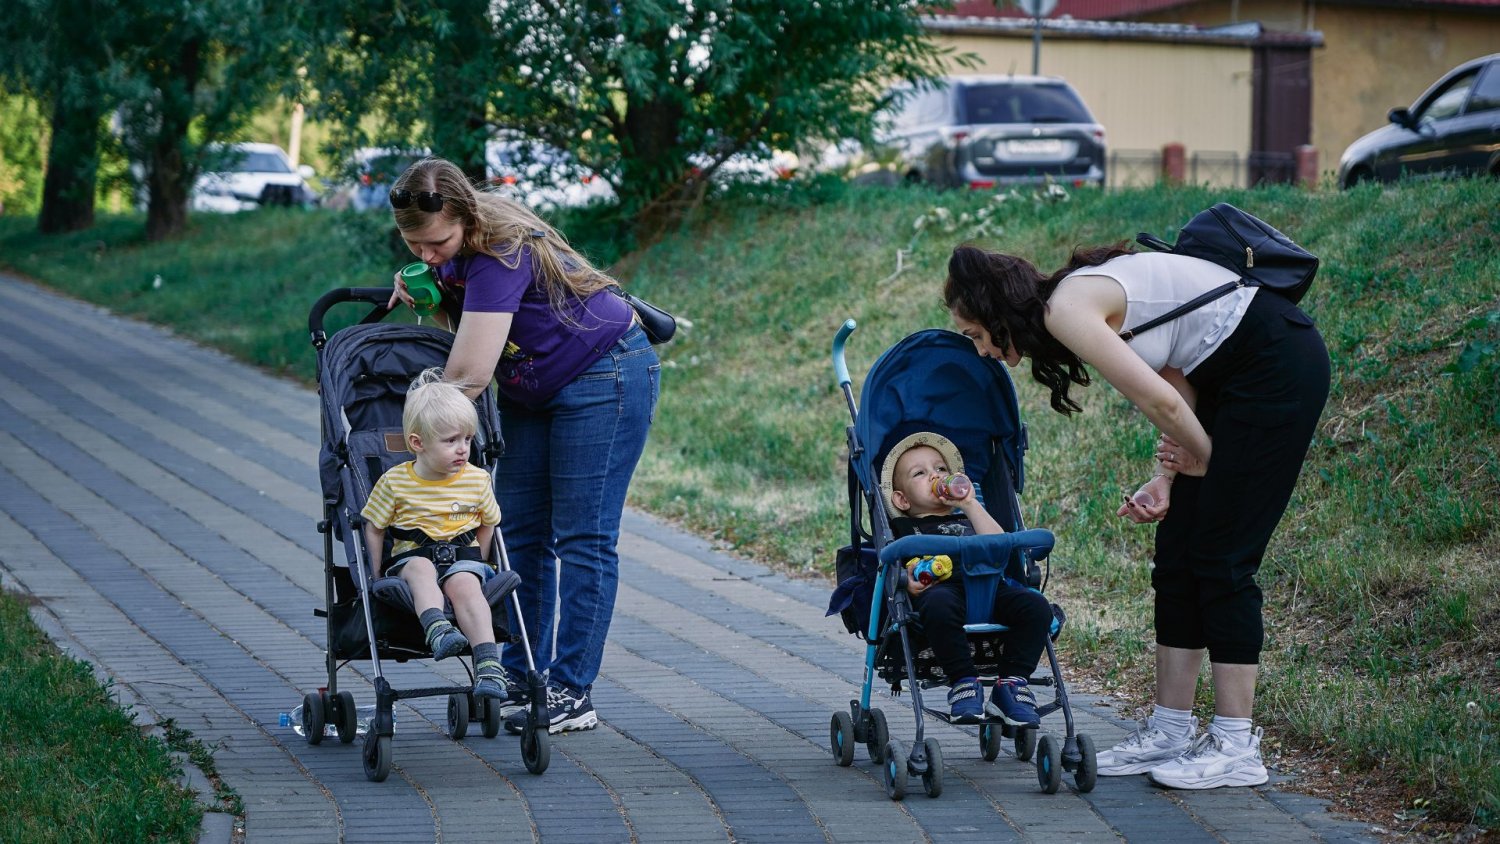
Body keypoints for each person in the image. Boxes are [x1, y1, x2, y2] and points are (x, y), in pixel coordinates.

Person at [943, 241, 1329, 790]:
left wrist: (1206, 459)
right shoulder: (1071, 301)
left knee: (1221, 558)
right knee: (1177, 561)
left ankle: (1237, 744)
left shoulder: (1066, 310)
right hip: (1229, 377)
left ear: (997, 314)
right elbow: (1176, 376)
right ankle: (1171, 730)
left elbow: (1164, 405)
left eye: (977, 335)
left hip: (1275, 366)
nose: (980, 351)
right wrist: (1169, 475)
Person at [386, 157, 659, 734]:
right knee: (521, 532)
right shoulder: (455, 253)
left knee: (583, 535)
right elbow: (459, 331)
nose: (427, 254)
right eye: (414, 246)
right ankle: (522, 671)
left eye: (437, 243)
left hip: (604, 373)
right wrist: (429, 294)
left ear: (464, 216)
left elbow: (468, 373)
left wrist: (419, 439)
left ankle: (571, 690)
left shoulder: (499, 249)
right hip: (534, 387)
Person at [879, 430, 1054, 728]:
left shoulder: (969, 516)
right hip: (941, 591)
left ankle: (1011, 684)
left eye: (942, 469)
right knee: (938, 606)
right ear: (902, 499)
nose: (936, 477)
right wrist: (906, 580)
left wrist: (971, 505)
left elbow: (1001, 545)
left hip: (991, 589)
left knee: (1036, 607)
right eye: (920, 473)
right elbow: (896, 565)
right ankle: (963, 681)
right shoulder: (905, 528)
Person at [361, 369, 506, 697]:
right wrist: (373, 572)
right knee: (420, 569)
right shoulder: (395, 482)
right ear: (417, 443)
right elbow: (375, 527)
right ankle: (438, 629)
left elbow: (488, 522)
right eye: (451, 440)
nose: (462, 449)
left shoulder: (477, 479)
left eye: (468, 439)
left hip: (462, 557)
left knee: (468, 586)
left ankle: (488, 667)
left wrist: (478, 562)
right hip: (412, 558)